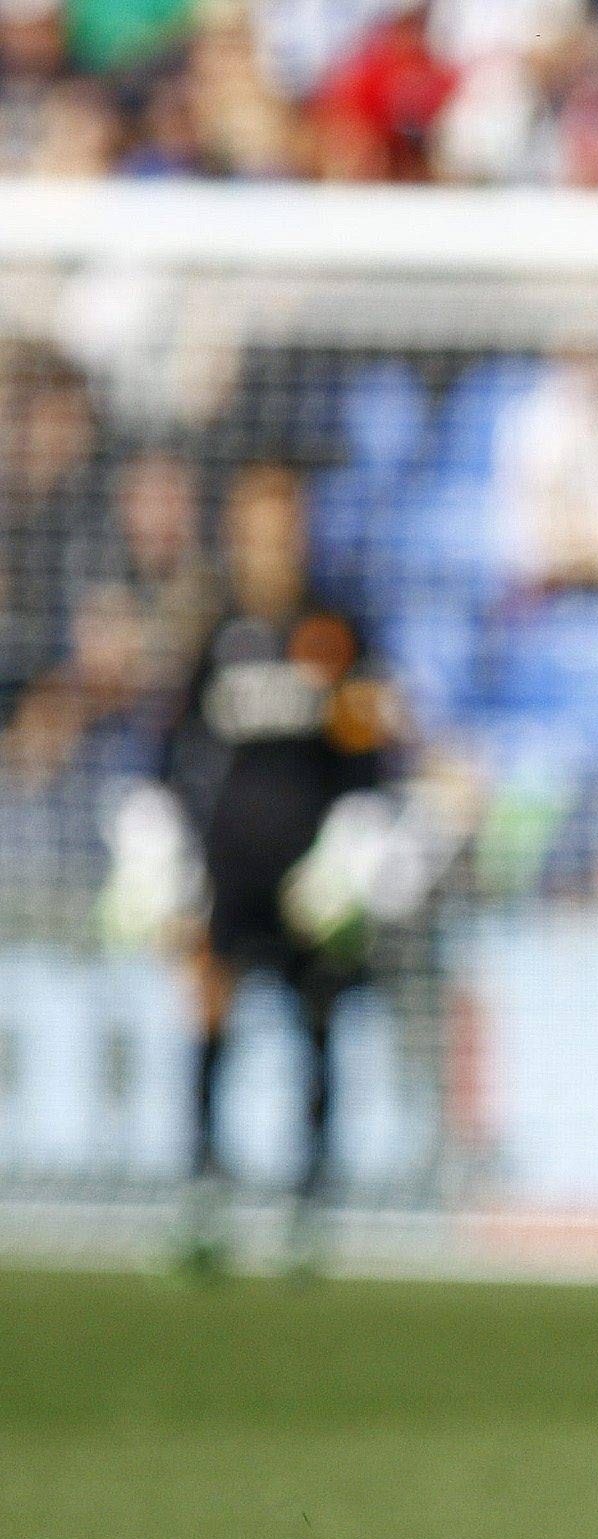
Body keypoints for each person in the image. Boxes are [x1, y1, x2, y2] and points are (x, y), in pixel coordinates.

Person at [157, 463, 402, 1274]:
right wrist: (169, 864)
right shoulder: (217, 635)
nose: (270, 547)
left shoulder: (336, 632)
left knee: (316, 1024)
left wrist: (347, 856)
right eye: (256, 530)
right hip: (228, 867)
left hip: (311, 875)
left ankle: (309, 1194)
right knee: (211, 1015)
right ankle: (203, 1185)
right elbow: (171, 754)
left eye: (283, 528)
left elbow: (368, 756)